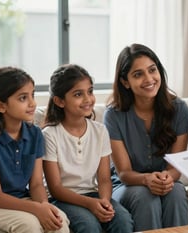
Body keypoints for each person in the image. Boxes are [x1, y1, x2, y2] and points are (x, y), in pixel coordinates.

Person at [0, 67, 70, 233]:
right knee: (29, 225)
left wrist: (44, 206)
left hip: (22, 199)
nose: (32, 103)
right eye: (23, 98)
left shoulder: (35, 133)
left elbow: (36, 184)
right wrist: (36, 209)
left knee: (59, 221)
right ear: (1, 106)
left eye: (33, 95)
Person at [103, 43, 188, 231]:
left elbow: (176, 168)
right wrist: (146, 180)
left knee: (176, 192)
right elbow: (124, 173)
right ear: (125, 82)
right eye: (138, 74)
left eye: (152, 70)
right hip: (126, 186)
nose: (149, 79)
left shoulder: (180, 109)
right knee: (145, 196)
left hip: (167, 183)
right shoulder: (113, 115)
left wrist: (167, 178)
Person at [42, 64, 133, 233]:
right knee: (88, 225)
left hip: (93, 194)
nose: (87, 99)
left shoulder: (100, 131)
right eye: (78, 94)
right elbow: (55, 188)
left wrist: (104, 202)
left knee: (123, 220)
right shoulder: (49, 135)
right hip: (61, 199)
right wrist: (90, 204)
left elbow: (105, 179)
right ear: (59, 101)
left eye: (90, 91)